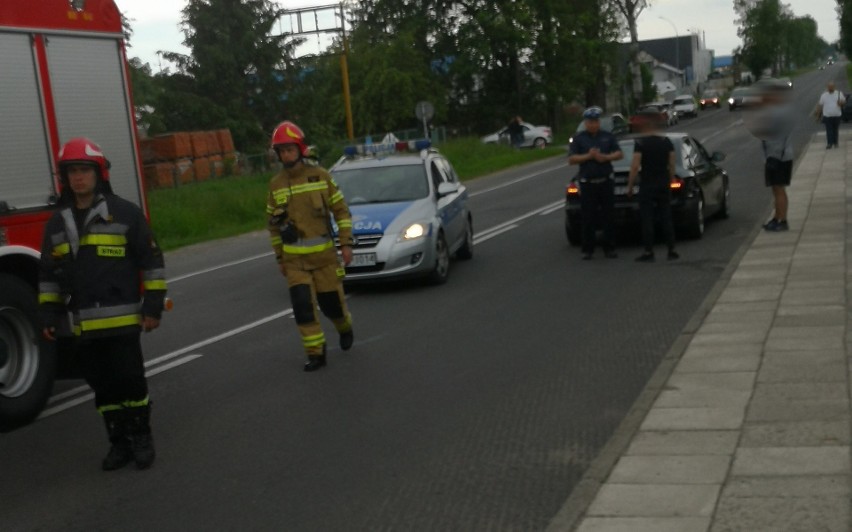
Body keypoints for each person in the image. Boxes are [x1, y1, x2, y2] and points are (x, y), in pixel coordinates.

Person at [38, 138, 167, 471]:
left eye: (84, 170)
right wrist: (48, 315)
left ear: (99, 174)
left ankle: (142, 438)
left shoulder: (124, 213)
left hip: (121, 323)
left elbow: (150, 260)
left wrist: (152, 306)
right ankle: (118, 443)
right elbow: (49, 274)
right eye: (72, 172)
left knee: (130, 380)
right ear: (64, 178)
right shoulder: (56, 223)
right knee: (103, 387)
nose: (78, 178)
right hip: (83, 327)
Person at [266, 121, 355, 371]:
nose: (286, 155)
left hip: (325, 259)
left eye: (289, 150)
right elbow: (273, 225)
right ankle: (316, 353)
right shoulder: (276, 185)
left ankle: (344, 327)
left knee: (332, 306)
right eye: (281, 151)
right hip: (295, 263)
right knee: (303, 308)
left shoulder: (321, 176)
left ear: (300, 149)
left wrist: (346, 243)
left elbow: (341, 211)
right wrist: (279, 258)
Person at [568, 106, 624, 259]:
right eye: (590, 122)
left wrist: (605, 158)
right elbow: (572, 159)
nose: (593, 124)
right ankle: (588, 249)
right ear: (585, 123)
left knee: (608, 216)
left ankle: (610, 248)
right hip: (588, 183)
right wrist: (589, 156)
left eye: (595, 121)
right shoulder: (579, 139)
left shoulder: (607, 136)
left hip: (605, 181)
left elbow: (619, 154)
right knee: (588, 217)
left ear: (599, 122)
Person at [626, 110, 679, 262]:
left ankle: (649, 251)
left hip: (647, 184)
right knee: (666, 217)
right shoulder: (666, 142)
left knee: (647, 218)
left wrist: (630, 186)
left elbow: (635, 166)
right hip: (663, 182)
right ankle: (671, 249)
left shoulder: (641, 143)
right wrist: (671, 179)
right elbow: (672, 163)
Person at [748, 79, 796, 232]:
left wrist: (773, 158)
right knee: (777, 189)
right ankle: (778, 218)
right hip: (776, 156)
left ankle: (782, 221)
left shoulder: (778, 112)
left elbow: (778, 137)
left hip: (778, 157)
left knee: (779, 189)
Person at [818, 82, 846, 149]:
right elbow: (820, 105)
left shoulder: (839, 93)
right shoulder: (824, 95)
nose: (830, 88)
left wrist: (841, 103)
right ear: (827, 87)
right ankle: (829, 144)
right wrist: (818, 114)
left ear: (834, 87)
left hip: (837, 115)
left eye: (832, 87)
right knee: (829, 130)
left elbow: (844, 102)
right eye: (829, 87)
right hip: (827, 115)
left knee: (835, 130)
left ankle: (836, 143)